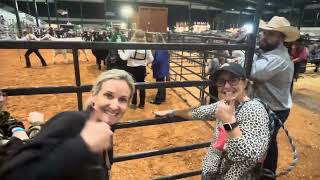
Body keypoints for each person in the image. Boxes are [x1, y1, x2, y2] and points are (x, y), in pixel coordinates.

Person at [0, 69, 135, 180]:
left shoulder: (105, 130)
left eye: (122, 99)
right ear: (94, 95)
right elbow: (13, 175)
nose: (115, 105)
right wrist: (82, 145)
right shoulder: (70, 122)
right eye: (108, 95)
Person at [154, 63, 271, 179]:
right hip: (213, 174)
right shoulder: (225, 105)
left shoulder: (254, 110)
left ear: (244, 83)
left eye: (233, 80)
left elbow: (247, 157)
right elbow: (198, 112)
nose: (226, 86)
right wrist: (173, 112)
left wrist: (229, 121)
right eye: (221, 82)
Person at [250, 16, 300, 179]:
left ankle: (266, 173)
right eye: (265, 33)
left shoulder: (278, 58)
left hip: (275, 109)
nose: (264, 37)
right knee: (268, 141)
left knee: (264, 141)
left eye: (270, 34)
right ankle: (266, 172)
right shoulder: (271, 54)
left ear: (281, 38)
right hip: (270, 106)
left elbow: (255, 73)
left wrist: (244, 56)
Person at [118, 30, 154, 109]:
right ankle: (142, 104)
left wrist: (120, 51)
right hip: (142, 69)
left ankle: (134, 102)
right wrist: (144, 62)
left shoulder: (131, 45)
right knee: (142, 85)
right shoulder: (146, 46)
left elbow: (124, 58)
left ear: (134, 36)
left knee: (132, 85)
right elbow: (151, 59)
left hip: (131, 68)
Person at [151, 33, 170, 105]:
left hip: (159, 67)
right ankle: (163, 97)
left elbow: (158, 59)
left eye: (153, 38)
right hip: (164, 66)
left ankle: (158, 100)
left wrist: (153, 64)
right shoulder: (165, 46)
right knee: (162, 82)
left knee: (159, 83)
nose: (153, 39)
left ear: (156, 39)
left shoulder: (158, 47)